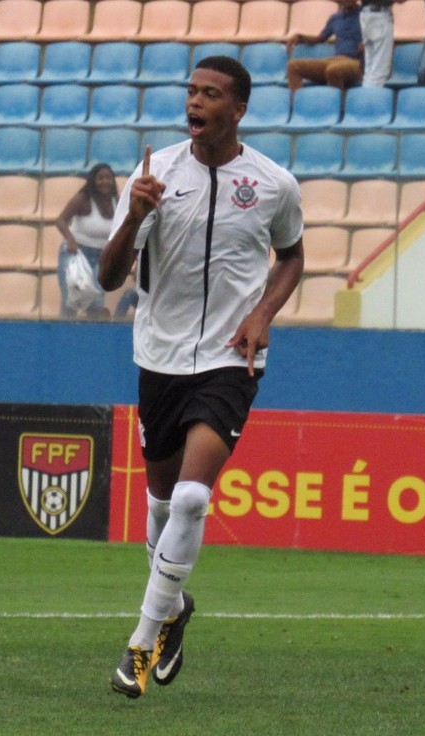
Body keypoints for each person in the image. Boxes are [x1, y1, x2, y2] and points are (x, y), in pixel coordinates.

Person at [99, 56, 305, 699]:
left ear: (236, 109)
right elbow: (109, 278)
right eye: (190, 90)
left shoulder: (273, 183)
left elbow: (293, 257)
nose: (195, 101)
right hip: (158, 357)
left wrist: (262, 313)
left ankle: (139, 643)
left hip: (230, 358)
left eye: (209, 93)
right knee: (161, 505)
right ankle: (175, 609)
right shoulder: (154, 174)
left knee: (191, 499)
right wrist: (134, 215)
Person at [56, 163, 118, 319]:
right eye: (100, 178)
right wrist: (70, 240)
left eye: (108, 178)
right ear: (93, 181)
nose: (105, 182)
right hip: (76, 254)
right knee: (72, 301)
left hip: (102, 257)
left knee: (96, 304)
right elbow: (60, 220)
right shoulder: (83, 199)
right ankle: (63, 336)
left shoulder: (116, 201)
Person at [286, 0, 364, 91]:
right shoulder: (335, 18)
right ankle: (297, 103)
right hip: (335, 60)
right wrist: (300, 37)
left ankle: (335, 104)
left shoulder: (366, 15)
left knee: (333, 70)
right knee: (293, 66)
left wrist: (367, 44)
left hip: (355, 63)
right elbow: (320, 38)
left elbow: (379, 37)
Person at [359, 0, 406, 88]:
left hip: (365, 14)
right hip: (380, 16)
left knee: (370, 69)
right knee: (379, 71)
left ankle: (364, 97)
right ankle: (371, 100)